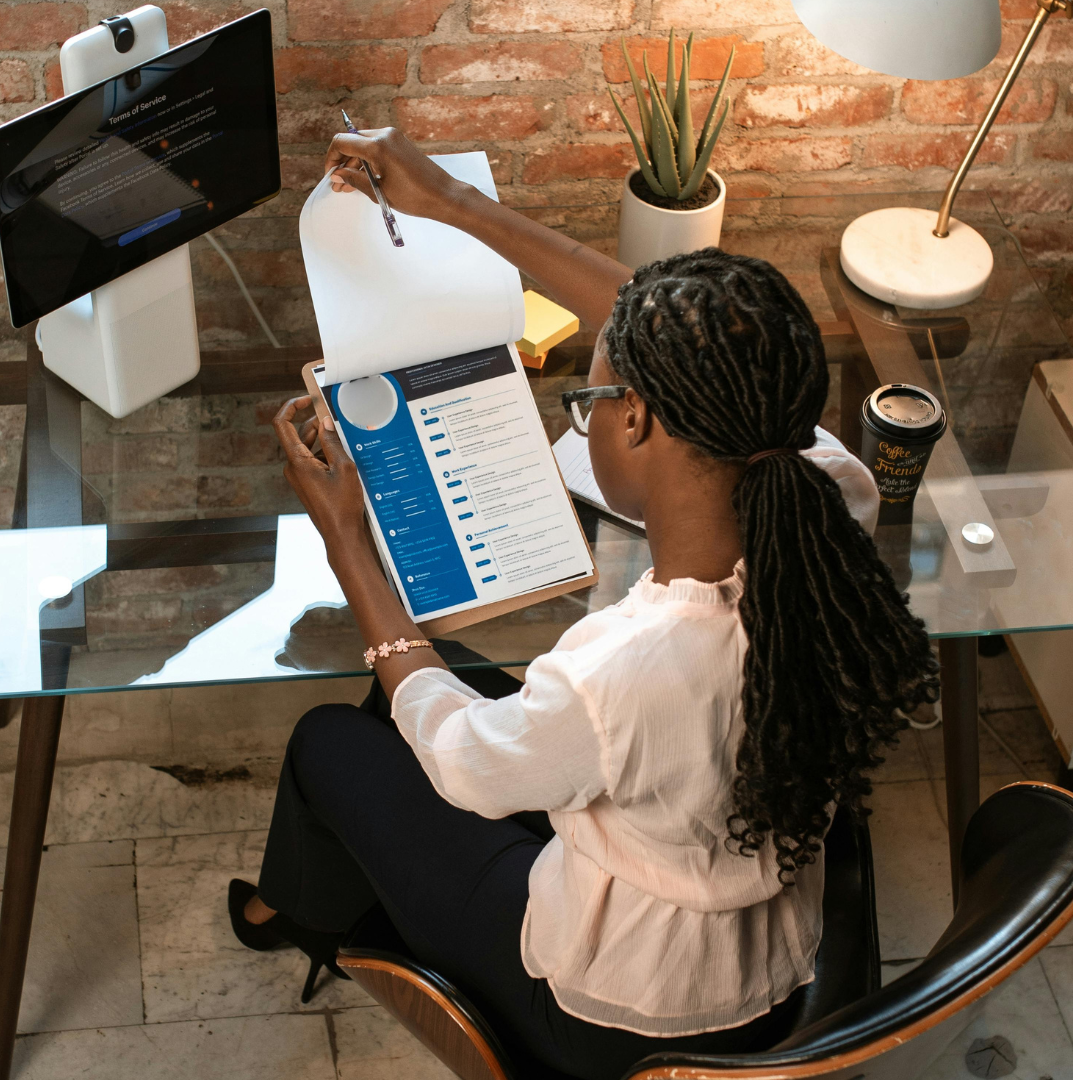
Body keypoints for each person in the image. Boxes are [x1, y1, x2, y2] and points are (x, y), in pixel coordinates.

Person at [228, 128, 939, 1080]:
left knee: (330, 739)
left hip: (622, 1006)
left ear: (637, 417)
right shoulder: (830, 490)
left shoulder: (627, 669)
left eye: (593, 395)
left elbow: (464, 765)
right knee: (414, 701)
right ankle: (302, 893)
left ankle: (297, 910)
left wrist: (348, 541)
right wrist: (450, 200)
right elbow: (667, 331)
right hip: (767, 930)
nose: (590, 405)